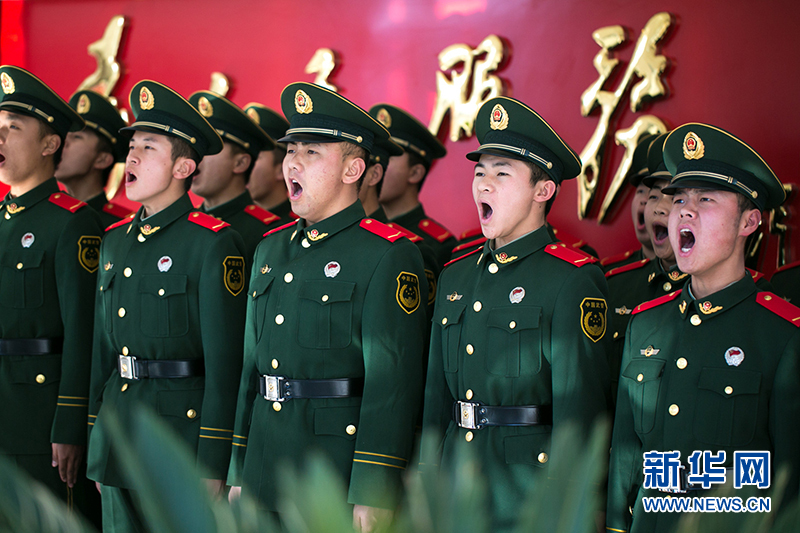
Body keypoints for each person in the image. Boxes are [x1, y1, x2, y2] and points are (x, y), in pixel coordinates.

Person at [227, 83, 428, 533]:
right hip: (264, 466)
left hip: (332, 476)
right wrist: (239, 467)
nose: (293, 163)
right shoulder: (270, 248)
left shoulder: (387, 255)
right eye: (290, 150)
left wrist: (373, 487)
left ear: (354, 169)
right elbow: (250, 370)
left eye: (312, 152)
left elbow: (391, 385)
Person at [421, 96, 611, 533]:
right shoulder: (455, 275)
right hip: (455, 483)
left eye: (501, 174)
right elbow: (436, 397)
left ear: (543, 191)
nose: (484, 186)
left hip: (527, 491)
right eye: (480, 173)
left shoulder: (571, 280)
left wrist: (572, 507)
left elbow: (580, 409)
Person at [606, 123, 800, 533]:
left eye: (706, 198)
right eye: (679, 198)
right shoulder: (645, 324)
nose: (684, 210)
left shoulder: (783, 337)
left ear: (749, 221)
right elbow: (626, 456)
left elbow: (789, 485)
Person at [86, 80, 247, 531]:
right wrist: (97, 435)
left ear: (184, 167)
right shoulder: (114, 241)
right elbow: (103, 353)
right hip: (118, 436)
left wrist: (213, 458)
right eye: (131, 147)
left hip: (180, 440)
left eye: (148, 148)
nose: (132, 158)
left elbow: (225, 365)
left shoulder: (212, 243)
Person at [0, 65, 103, 512]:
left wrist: (70, 424)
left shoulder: (71, 222)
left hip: (37, 417)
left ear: (49, 144)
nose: (0, 136)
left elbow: (83, 332)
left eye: (13, 127)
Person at [188, 91, 282, 260]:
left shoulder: (269, 235)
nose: (196, 157)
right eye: (197, 147)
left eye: (210, 149)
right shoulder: (183, 225)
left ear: (240, 163)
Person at [370, 104, 457, 268]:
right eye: (373, 156)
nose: (375, 167)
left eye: (387, 156)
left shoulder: (437, 246)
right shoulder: (359, 231)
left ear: (415, 173)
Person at [55, 90, 134, 227]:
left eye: (77, 137)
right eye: (65, 136)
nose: (63, 143)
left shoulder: (121, 227)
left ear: (102, 159)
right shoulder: (46, 216)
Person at [600, 134, 658, 271]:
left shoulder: (695, 279)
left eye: (654, 195)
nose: (644, 200)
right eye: (640, 191)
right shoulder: (613, 273)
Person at [243, 103, 293, 221]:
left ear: (281, 170)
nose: (244, 166)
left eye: (255, 157)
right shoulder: (231, 222)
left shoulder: (301, 226)